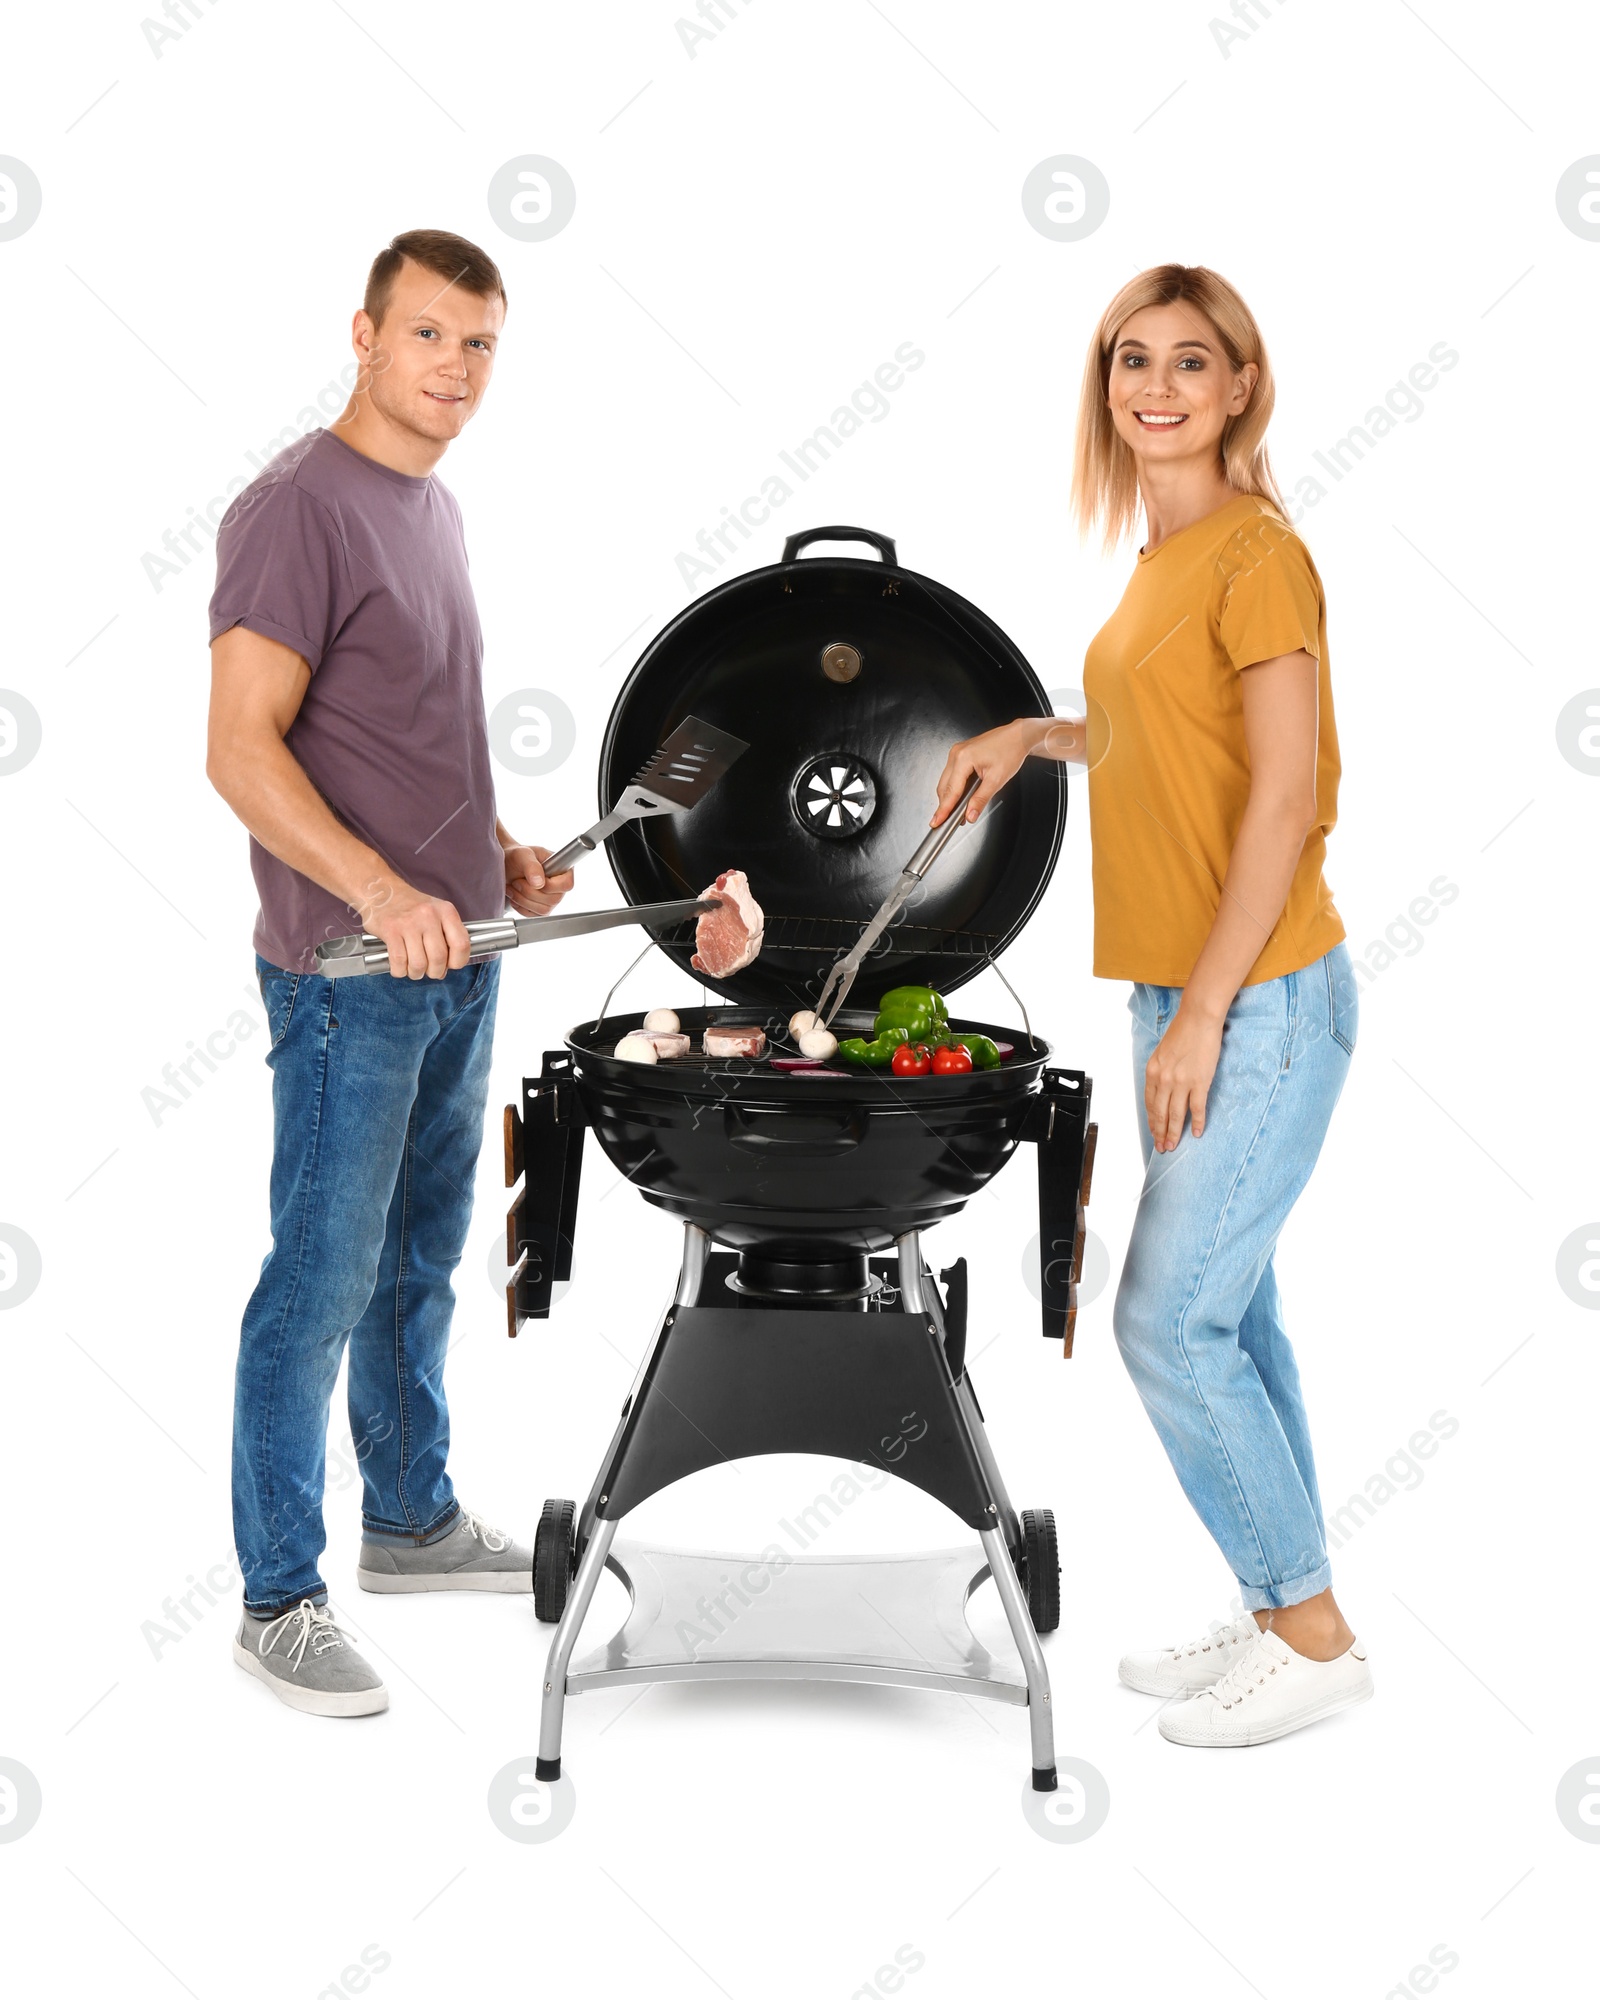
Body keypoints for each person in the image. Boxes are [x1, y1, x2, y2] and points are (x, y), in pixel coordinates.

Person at [932, 263, 1369, 1748]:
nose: (1158, 386)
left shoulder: (1258, 554)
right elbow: (1164, 739)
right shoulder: (1160, 555)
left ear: (1242, 384)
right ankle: (1281, 1606)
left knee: (1167, 1326)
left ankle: (1311, 1640)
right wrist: (1034, 735)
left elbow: (1286, 798)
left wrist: (1204, 1019)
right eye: (1133, 361)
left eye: (1194, 361)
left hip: (1259, 999)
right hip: (1182, 991)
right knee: (1235, 1320)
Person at [206, 229, 575, 1717]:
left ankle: (411, 1517)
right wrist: (381, 889)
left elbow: (407, 734)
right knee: (320, 1276)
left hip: (459, 950)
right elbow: (239, 750)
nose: (456, 371)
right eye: (430, 337)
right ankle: (277, 1595)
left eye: (481, 344)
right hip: (349, 970)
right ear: (362, 334)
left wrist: (496, 859)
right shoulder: (298, 508)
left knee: (421, 1261)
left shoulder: (433, 507)